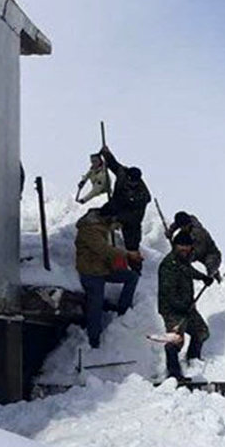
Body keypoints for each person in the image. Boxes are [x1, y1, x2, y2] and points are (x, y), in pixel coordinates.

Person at [74, 207, 140, 349]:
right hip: (91, 273)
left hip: (103, 270)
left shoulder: (101, 228)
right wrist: (127, 254)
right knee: (95, 305)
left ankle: (123, 311)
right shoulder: (89, 229)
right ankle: (94, 340)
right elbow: (103, 250)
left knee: (131, 277)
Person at [158, 231, 214, 381]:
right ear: (175, 246)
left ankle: (193, 360)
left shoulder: (182, 261)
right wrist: (182, 307)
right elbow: (168, 293)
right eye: (182, 248)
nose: (185, 251)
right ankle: (174, 374)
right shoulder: (168, 265)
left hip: (186, 307)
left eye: (187, 248)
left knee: (201, 332)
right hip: (172, 310)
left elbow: (188, 271)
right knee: (175, 340)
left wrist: (203, 277)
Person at [100, 146, 151, 272]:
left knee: (132, 245)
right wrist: (107, 154)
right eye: (130, 181)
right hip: (116, 204)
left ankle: (135, 270)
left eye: (134, 182)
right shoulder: (123, 173)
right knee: (98, 218)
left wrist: (118, 219)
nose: (131, 184)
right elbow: (114, 165)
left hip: (131, 218)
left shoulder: (142, 195)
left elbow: (135, 217)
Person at [167, 211, 223, 281]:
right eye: (180, 227)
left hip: (209, 252)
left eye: (183, 227)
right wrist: (170, 231)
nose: (182, 228)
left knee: (210, 264)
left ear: (188, 224)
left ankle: (215, 274)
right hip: (193, 247)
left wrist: (185, 260)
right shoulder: (187, 220)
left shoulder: (198, 233)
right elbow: (176, 224)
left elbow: (198, 252)